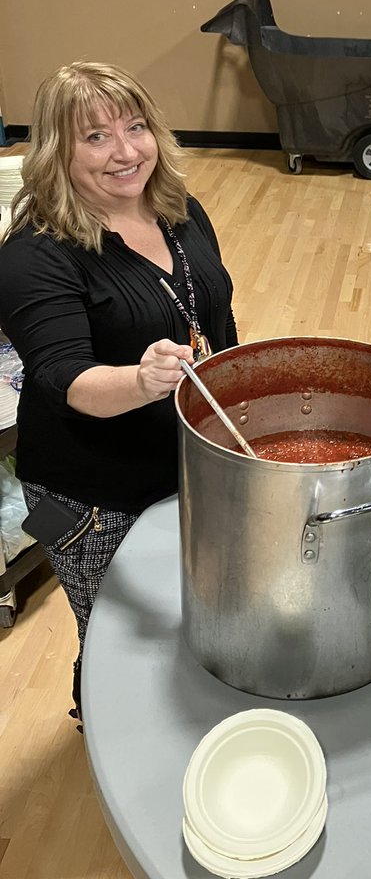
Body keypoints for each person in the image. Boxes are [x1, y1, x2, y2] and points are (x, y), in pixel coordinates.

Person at [0, 62, 237, 725]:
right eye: (96, 137)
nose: (126, 150)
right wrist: (141, 379)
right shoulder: (32, 258)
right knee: (114, 638)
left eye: (135, 127)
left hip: (182, 466)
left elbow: (213, 315)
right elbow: (65, 379)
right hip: (91, 497)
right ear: (55, 151)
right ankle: (103, 725)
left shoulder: (180, 213)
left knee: (184, 609)